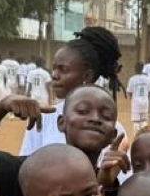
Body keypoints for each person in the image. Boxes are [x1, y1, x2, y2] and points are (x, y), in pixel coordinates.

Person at [0, 87, 127, 196]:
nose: (95, 118)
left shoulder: (114, 188)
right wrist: (1, 107)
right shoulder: (32, 173)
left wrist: (107, 186)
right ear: (61, 123)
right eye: (82, 111)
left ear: (113, 135)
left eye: (105, 116)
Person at [19, 27, 124, 157]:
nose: (54, 75)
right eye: (54, 69)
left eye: (63, 70)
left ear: (86, 76)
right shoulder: (42, 119)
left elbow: (120, 175)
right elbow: (23, 167)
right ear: (61, 122)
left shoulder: (111, 129)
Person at [126, 68, 150, 136]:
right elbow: (149, 91)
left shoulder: (132, 79)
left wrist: (132, 98)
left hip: (136, 102)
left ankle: (136, 138)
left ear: (135, 69)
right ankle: (144, 136)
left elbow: (129, 91)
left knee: (136, 121)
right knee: (144, 120)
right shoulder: (148, 79)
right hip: (145, 102)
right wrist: (147, 99)